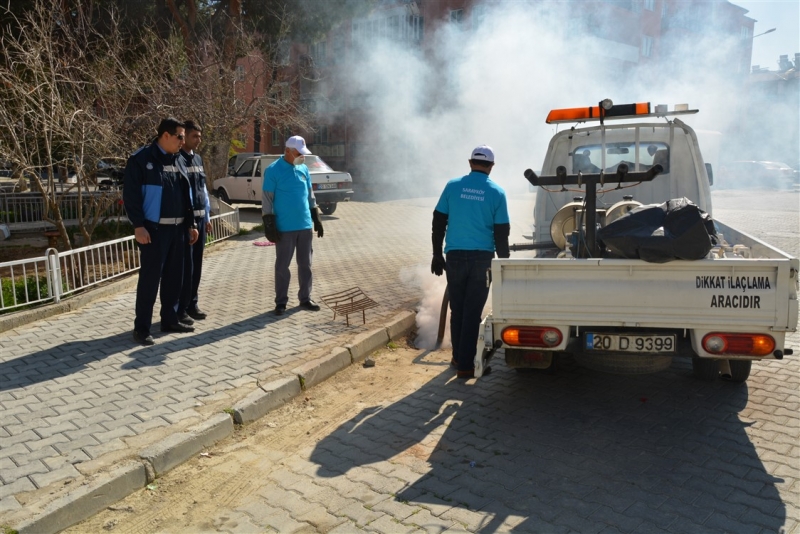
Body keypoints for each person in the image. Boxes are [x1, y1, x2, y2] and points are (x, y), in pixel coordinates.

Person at [431, 145, 510, 379]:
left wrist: (436, 254)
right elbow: (501, 232)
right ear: (492, 166)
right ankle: (466, 365)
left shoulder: (453, 186)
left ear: (470, 162)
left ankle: (458, 356)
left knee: (458, 309)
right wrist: (503, 263)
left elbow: (438, 222)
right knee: (472, 311)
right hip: (481, 259)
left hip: (454, 257)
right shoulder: (497, 192)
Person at [123, 118, 199, 345]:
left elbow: (188, 194)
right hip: (154, 231)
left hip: (178, 230)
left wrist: (191, 224)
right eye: (180, 137)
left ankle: (169, 318)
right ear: (165, 135)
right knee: (150, 280)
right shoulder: (141, 160)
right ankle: (142, 328)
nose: (183, 141)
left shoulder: (179, 160)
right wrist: (138, 225)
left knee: (175, 278)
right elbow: (131, 197)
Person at [261, 135, 324, 316]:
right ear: (287, 151)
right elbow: (267, 199)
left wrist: (316, 217)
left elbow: (310, 195)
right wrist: (269, 223)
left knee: (306, 264)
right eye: (299, 153)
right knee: (282, 266)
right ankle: (281, 302)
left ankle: (305, 298)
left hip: (304, 225)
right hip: (284, 228)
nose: (302, 156)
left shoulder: (303, 168)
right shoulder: (273, 171)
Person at [176, 120, 212, 323]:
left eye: (200, 136)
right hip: (186, 223)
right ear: (185, 136)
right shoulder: (178, 159)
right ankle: (181, 306)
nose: (198, 140)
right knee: (185, 267)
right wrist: (190, 223)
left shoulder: (197, 158)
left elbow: (203, 190)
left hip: (200, 219)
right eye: (194, 136)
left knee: (197, 265)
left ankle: (193, 303)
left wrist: (207, 216)